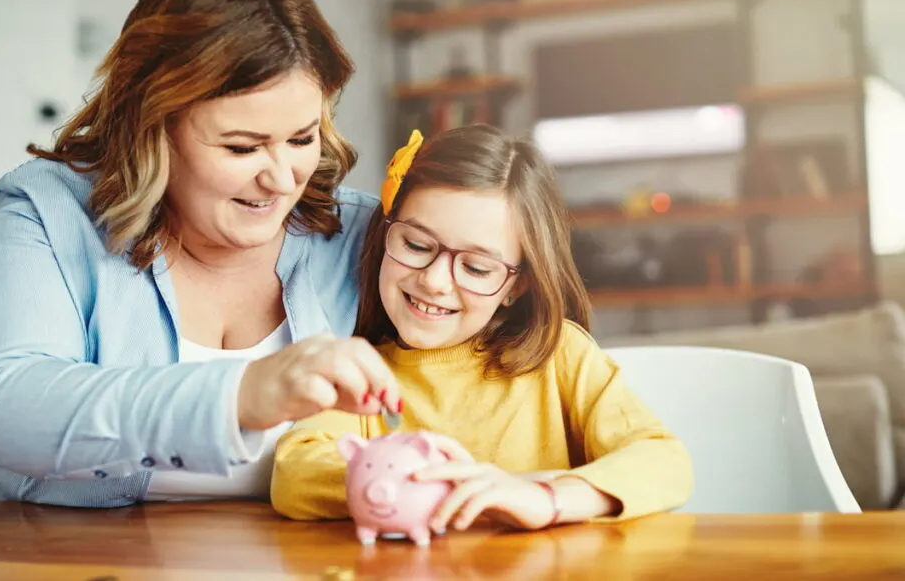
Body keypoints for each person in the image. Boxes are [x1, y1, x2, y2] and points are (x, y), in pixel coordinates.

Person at [0, 0, 402, 507]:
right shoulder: (50, 211)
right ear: (153, 127)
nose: (280, 179)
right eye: (242, 147)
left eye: (301, 138)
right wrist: (241, 394)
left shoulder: (360, 235)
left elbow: (480, 345)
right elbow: (10, 406)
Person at [270, 125, 693, 532]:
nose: (435, 281)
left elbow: (662, 460)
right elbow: (295, 474)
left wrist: (547, 498)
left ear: (516, 285)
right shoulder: (362, 371)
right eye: (416, 245)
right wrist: (430, 482)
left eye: (476, 267)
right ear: (385, 235)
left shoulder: (561, 355)